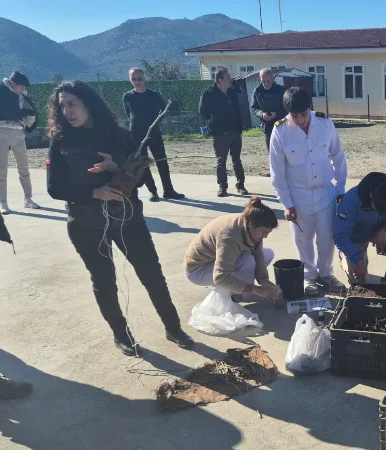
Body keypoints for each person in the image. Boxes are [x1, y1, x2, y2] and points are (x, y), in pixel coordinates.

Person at [46, 81, 194, 356]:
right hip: (87, 225)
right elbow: (55, 188)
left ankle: (173, 328)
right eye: (62, 105)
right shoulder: (61, 141)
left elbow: (142, 175)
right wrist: (94, 192)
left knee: (152, 275)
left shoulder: (118, 135)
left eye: (72, 104)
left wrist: (117, 168)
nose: (67, 111)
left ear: (88, 105)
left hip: (128, 220)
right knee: (104, 282)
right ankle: (121, 335)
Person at [270, 87, 347, 296]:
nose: (300, 120)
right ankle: (309, 276)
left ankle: (326, 273)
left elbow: (338, 155)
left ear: (309, 108)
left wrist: (341, 188)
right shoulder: (280, 131)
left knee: (327, 237)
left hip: (325, 192)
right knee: (302, 239)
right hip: (298, 194)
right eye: (295, 116)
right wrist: (286, 203)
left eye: (303, 114)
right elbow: (277, 171)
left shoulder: (325, 123)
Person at [185, 196, 280, 299]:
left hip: (216, 259)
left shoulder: (250, 222)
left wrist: (263, 280)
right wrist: (255, 289)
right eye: (264, 232)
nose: (265, 236)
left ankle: (237, 288)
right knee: (247, 260)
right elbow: (220, 277)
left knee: (268, 253)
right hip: (198, 270)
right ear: (251, 225)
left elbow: (258, 255)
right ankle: (240, 294)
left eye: (268, 232)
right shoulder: (230, 237)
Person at [334, 172, 386, 285]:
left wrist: (385, 230)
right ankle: (344, 255)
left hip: (380, 229)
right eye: (379, 210)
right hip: (356, 237)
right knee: (359, 282)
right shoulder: (351, 200)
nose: (382, 213)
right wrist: (357, 259)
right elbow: (340, 235)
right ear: (371, 196)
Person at [123, 68, 184, 202]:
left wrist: (154, 124)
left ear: (144, 78)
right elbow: (128, 114)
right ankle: (153, 191)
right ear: (130, 80)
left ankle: (168, 190)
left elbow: (162, 113)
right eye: (134, 79)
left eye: (139, 78)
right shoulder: (127, 96)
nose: (137, 81)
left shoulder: (154, 95)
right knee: (143, 164)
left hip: (154, 133)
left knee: (161, 161)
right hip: (136, 135)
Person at [199, 67, 246, 197]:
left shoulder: (232, 92)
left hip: (234, 130)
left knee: (236, 159)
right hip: (219, 133)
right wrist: (214, 122)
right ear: (220, 80)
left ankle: (240, 185)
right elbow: (203, 112)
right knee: (221, 161)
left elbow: (238, 109)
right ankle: (222, 187)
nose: (230, 79)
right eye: (228, 77)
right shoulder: (209, 94)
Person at [0, 71, 39, 214]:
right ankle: (3, 203)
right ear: (12, 83)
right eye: (21, 86)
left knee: (24, 168)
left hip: (18, 134)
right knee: (1, 170)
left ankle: (28, 199)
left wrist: (26, 123)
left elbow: (31, 112)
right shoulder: (1, 91)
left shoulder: (22, 95)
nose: (23, 89)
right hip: (1, 133)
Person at [250, 68, 287, 178]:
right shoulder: (257, 91)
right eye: (263, 81)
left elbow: (287, 106)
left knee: (284, 149)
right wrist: (261, 114)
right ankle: (275, 173)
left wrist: (278, 114)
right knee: (271, 150)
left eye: (268, 81)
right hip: (267, 126)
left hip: (281, 124)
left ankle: (286, 171)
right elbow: (253, 107)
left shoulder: (281, 90)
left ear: (272, 78)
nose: (265, 83)